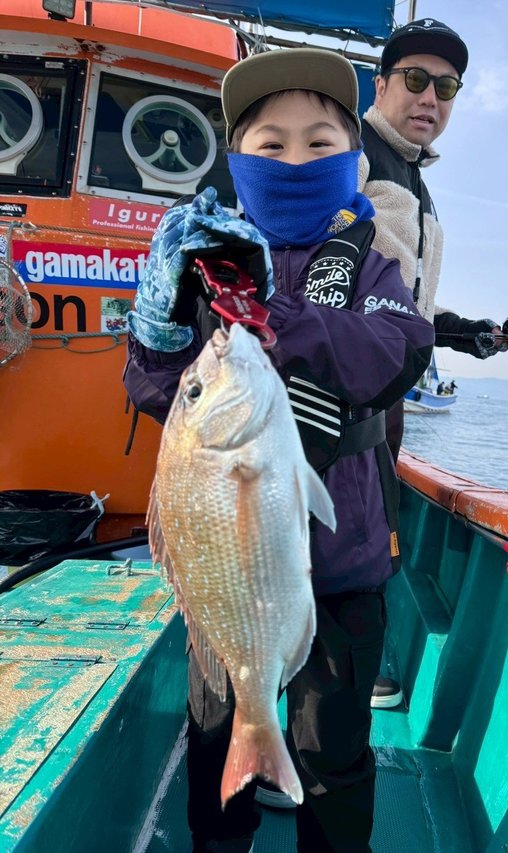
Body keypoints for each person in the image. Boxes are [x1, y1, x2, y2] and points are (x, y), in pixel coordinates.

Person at [123, 48, 434, 853]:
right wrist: (156, 329)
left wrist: (282, 321)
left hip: (342, 569)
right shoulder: (207, 261)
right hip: (225, 583)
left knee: (334, 756)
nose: (295, 159)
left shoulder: (369, 265)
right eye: (272, 144)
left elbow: (398, 349)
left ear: (353, 159)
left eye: (319, 142)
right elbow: (159, 392)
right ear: (237, 161)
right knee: (214, 737)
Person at [359, 18, 508, 710]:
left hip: (386, 405)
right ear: (381, 85)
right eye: (416, 79)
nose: (430, 97)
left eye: (447, 86)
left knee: (370, 539)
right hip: (343, 398)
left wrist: (470, 334)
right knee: (342, 543)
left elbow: (409, 304)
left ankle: (350, 665)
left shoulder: (415, 179)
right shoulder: (354, 153)